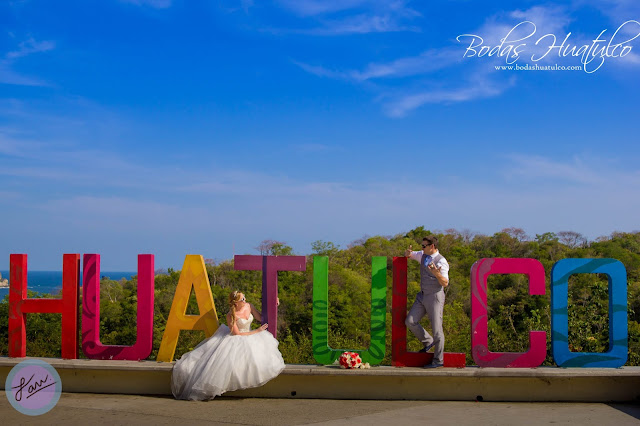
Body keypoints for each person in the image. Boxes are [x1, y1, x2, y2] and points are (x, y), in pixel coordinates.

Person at [171, 290, 286, 400]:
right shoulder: (231, 315)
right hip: (238, 337)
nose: (245, 300)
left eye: (244, 297)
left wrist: (274, 306)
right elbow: (237, 333)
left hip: (250, 336)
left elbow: (261, 317)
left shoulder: (249, 306)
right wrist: (257, 331)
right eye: (243, 299)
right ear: (236, 303)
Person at [404, 236, 450, 368]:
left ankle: (438, 360)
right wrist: (407, 253)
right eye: (421, 245)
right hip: (422, 295)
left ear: (432, 246)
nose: (422, 248)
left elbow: (445, 283)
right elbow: (409, 255)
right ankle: (428, 341)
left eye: (424, 246)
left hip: (434, 296)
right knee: (410, 321)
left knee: (437, 329)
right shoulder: (422, 255)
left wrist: (437, 274)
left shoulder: (442, 261)